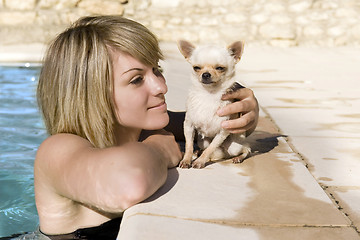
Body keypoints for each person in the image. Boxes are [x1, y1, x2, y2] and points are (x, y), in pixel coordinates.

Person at [11, 15, 259, 240]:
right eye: (136, 79)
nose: (161, 86)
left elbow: (204, 122)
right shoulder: (58, 149)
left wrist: (242, 114)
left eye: (157, 70)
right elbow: (127, 184)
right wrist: (160, 149)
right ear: (90, 94)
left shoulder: (141, 127)